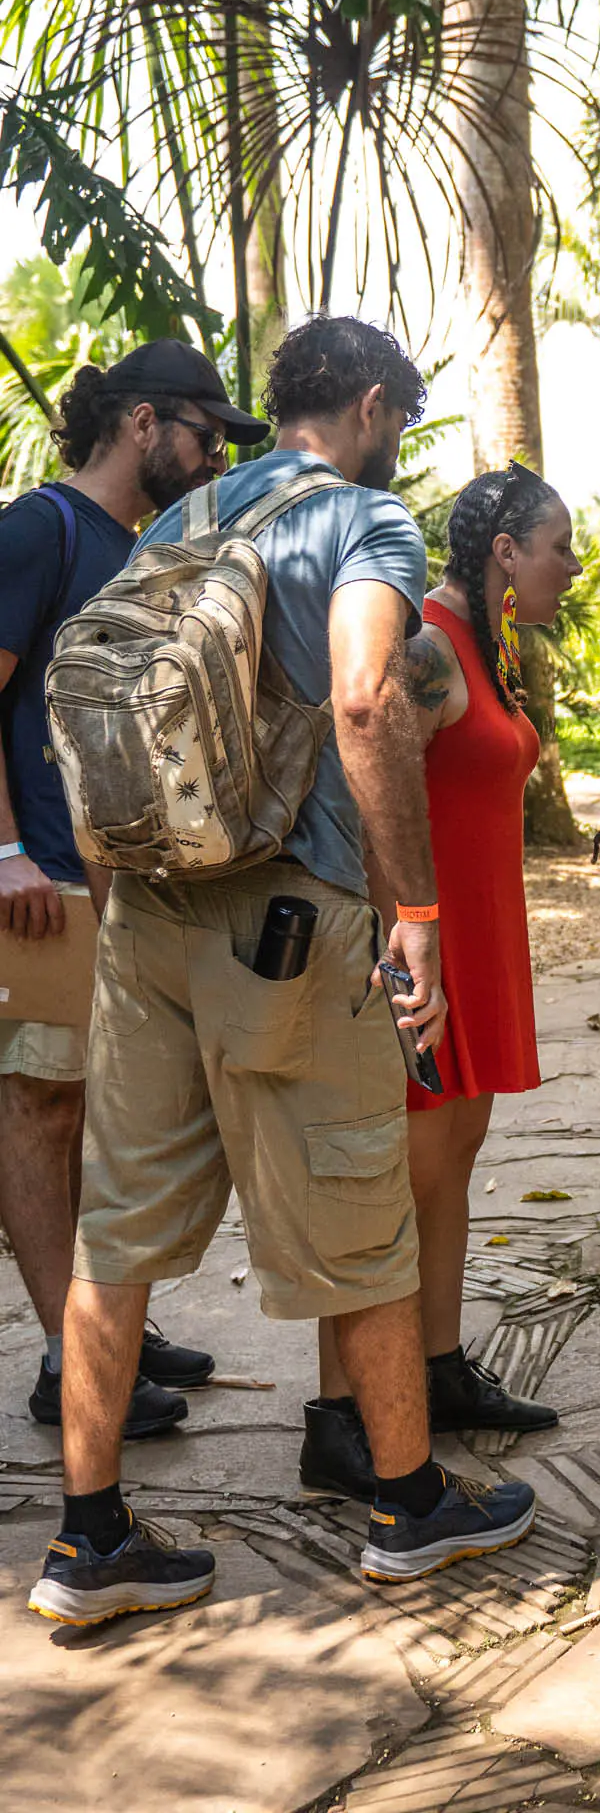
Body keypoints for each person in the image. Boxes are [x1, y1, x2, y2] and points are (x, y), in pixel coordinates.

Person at [28, 317, 536, 1630]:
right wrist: (412, 909)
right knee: (360, 1203)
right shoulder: (364, 521)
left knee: (115, 1229)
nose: (399, 442)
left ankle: (89, 1540)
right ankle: (408, 1503)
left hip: (148, 911)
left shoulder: (181, 519)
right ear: (369, 407)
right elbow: (365, 697)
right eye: (401, 420)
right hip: (291, 922)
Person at [302, 462, 582, 1498]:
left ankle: (439, 1365)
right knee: (394, 1186)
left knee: (453, 1161)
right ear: (507, 552)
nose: (572, 565)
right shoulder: (425, 644)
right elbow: (360, 775)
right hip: (426, 943)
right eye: (559, 547)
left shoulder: (486, 648)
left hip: (482, 936)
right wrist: (398, 935)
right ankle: (338, 1416)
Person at [0, 342, 261, 1443]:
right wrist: (5, 853)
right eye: (205, 438)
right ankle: (69, 1359)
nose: (213, 463)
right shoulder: (40, 530)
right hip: (43, 884)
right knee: (40, 1105)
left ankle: (109, 1327)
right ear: (143, 422)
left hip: (125, 883)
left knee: (107, 1116)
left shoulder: (151, 544)